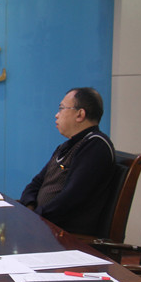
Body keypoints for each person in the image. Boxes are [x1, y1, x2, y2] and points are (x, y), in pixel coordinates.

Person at [20, 87, 116, 235]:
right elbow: (36, 184)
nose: (56, 115)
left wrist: (35, 218)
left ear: (80, 114)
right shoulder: (66, 146)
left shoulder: (95, 146)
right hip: (44, 226)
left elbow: (71, 199)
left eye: (61, 108)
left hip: (65, 235)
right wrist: (29, 209)